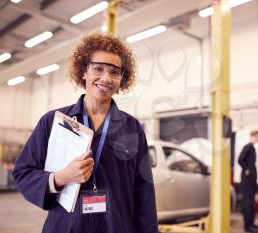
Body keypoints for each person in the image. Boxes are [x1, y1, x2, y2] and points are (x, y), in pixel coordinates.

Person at [12, 33, 158, 233]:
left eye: (115, 72)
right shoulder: (54, 122)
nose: (106, 78)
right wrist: (60, 177)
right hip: (66, 227)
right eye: (98, 68)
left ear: (122, 79)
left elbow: (144, 193)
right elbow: (23, 173)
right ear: (84, 71)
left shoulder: (132, 128)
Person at [238, 130, 258, 233]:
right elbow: (240, 159)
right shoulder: (248, 147)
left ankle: (251, 223)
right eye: (256, 137)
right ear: (252, 136)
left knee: (251, 202)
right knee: (248, 202)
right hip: (247, 180)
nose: (257, 139)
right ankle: (248, 225)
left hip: (251, 179)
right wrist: (246, 168)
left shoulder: (252, 148)